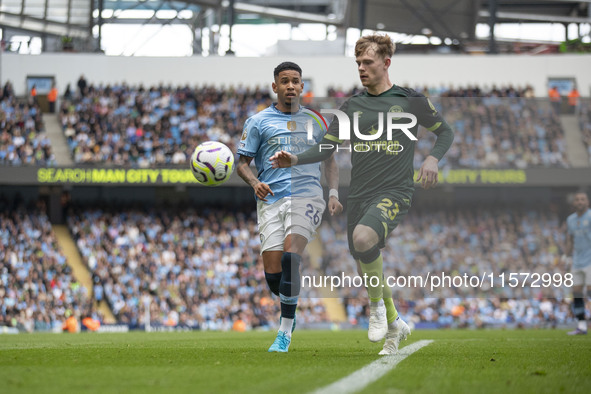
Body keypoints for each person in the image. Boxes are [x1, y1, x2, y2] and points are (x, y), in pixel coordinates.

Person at [270, 34, 454, 355]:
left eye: (367, 62)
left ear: (386, 63)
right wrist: (296, 158)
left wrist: (432, 157)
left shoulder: (410, 100)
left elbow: (445, 132)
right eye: (358, 63)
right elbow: (327, 146)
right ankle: (395, 326)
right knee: (364, 262)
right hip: (359, 196)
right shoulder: (351, 106)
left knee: (365, 238)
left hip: (394, 190)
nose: (361, 68)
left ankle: (378, 310)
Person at [236, 61, 342, 352]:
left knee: (290, 258)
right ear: (275, 86)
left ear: (302, 87)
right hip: (270, 200)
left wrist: (332, 192)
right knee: (273, 276)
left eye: (296, 81)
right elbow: (241, 163)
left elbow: (330, 160)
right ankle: (289, 310)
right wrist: (254, 182)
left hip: (307, 196)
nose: (291, 86)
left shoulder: (317, 121)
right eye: (285, 81)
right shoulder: (258, 122)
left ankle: (283, 334)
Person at [563, 191, 591, 335]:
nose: (580, 202)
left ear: (587, 202)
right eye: (577, 199)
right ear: (574, 203)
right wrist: (566, 257)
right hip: (577, 261)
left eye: (582, 199)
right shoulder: (571, 220)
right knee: (577, 294)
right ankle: (582, 326)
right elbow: (570, 240)